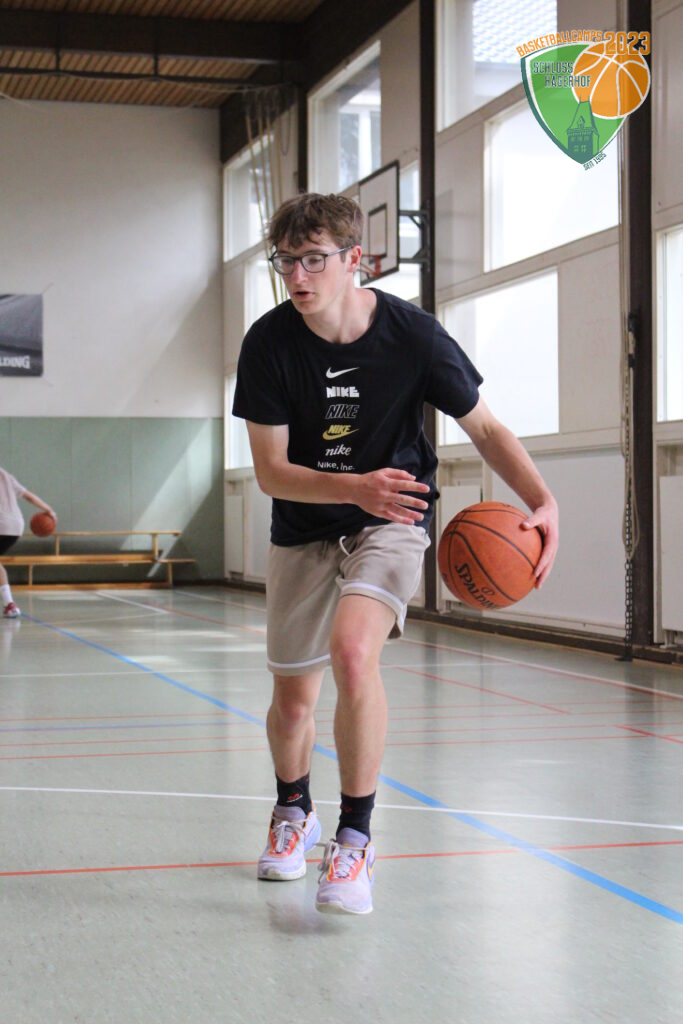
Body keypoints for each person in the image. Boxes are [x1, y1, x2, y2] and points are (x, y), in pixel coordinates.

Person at [232, 193, 559, 916]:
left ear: (355, 259)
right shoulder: (268, 344)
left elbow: (485, 427)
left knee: (354, 655)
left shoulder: (413, 336)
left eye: (313, 259)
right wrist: (354, 485)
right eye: (286, 261)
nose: (297, 276)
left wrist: (543, 500)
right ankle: (293, 811)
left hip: (392, 521)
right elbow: (272, 472)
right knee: (293, 700)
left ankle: (354, 838)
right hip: (304, 525)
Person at [0, 466, 57, 618]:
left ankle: (9, 604)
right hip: (16, 526)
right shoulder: (5, 475)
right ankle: (9, 605)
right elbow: (29, 496)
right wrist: (49, 510)